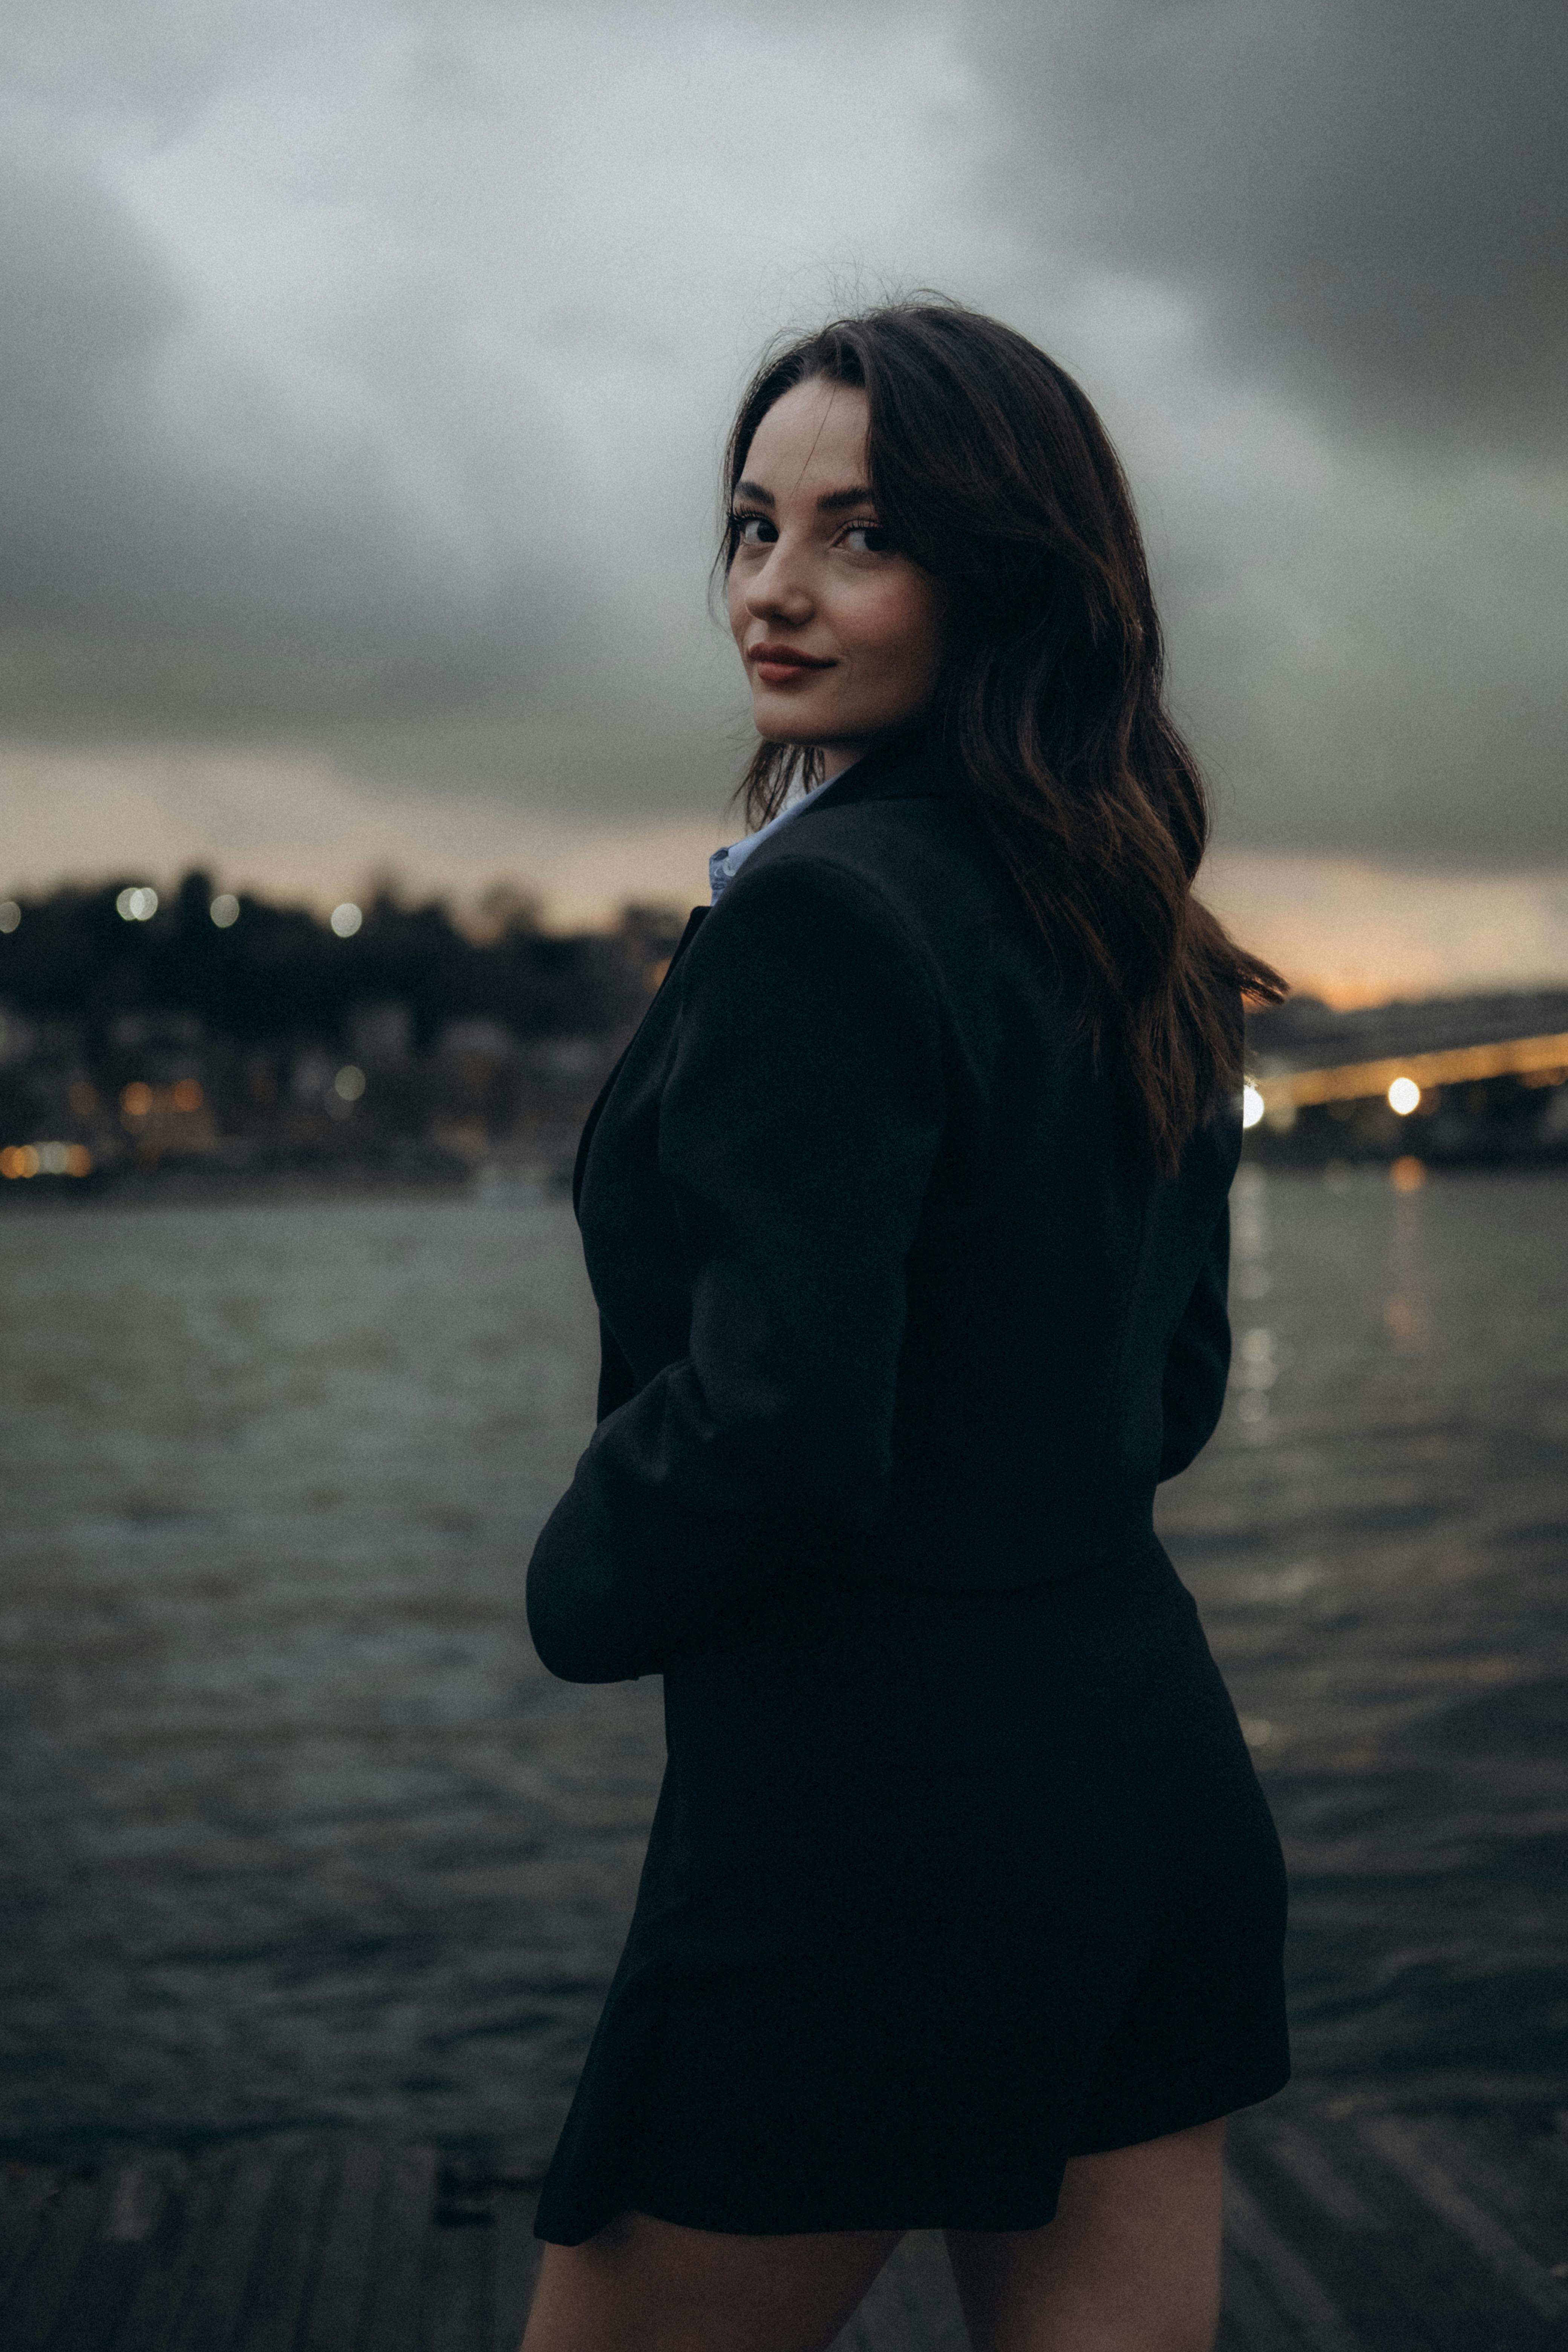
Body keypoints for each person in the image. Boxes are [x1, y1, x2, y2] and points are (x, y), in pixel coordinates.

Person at [521, 302, 1290, 2352]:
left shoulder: (820, 915)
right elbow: (1176, 1389)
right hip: (1152, 1792)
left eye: (857, 533)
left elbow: (781, 1426)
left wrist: (573, 1582)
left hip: (868, 1840)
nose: (775, 588)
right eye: (753, 527)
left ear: (1006, 566)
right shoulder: (1150, 926)